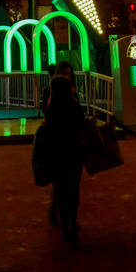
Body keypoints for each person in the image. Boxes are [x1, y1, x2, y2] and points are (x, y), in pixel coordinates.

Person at [43, 75, 86, 243]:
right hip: (73, 152)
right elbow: (81, 125)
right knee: (73, 189)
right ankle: (72, 222)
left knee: (60, 190)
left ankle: (64, 225)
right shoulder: (73, 106)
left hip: (56, 153)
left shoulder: (51, 107)